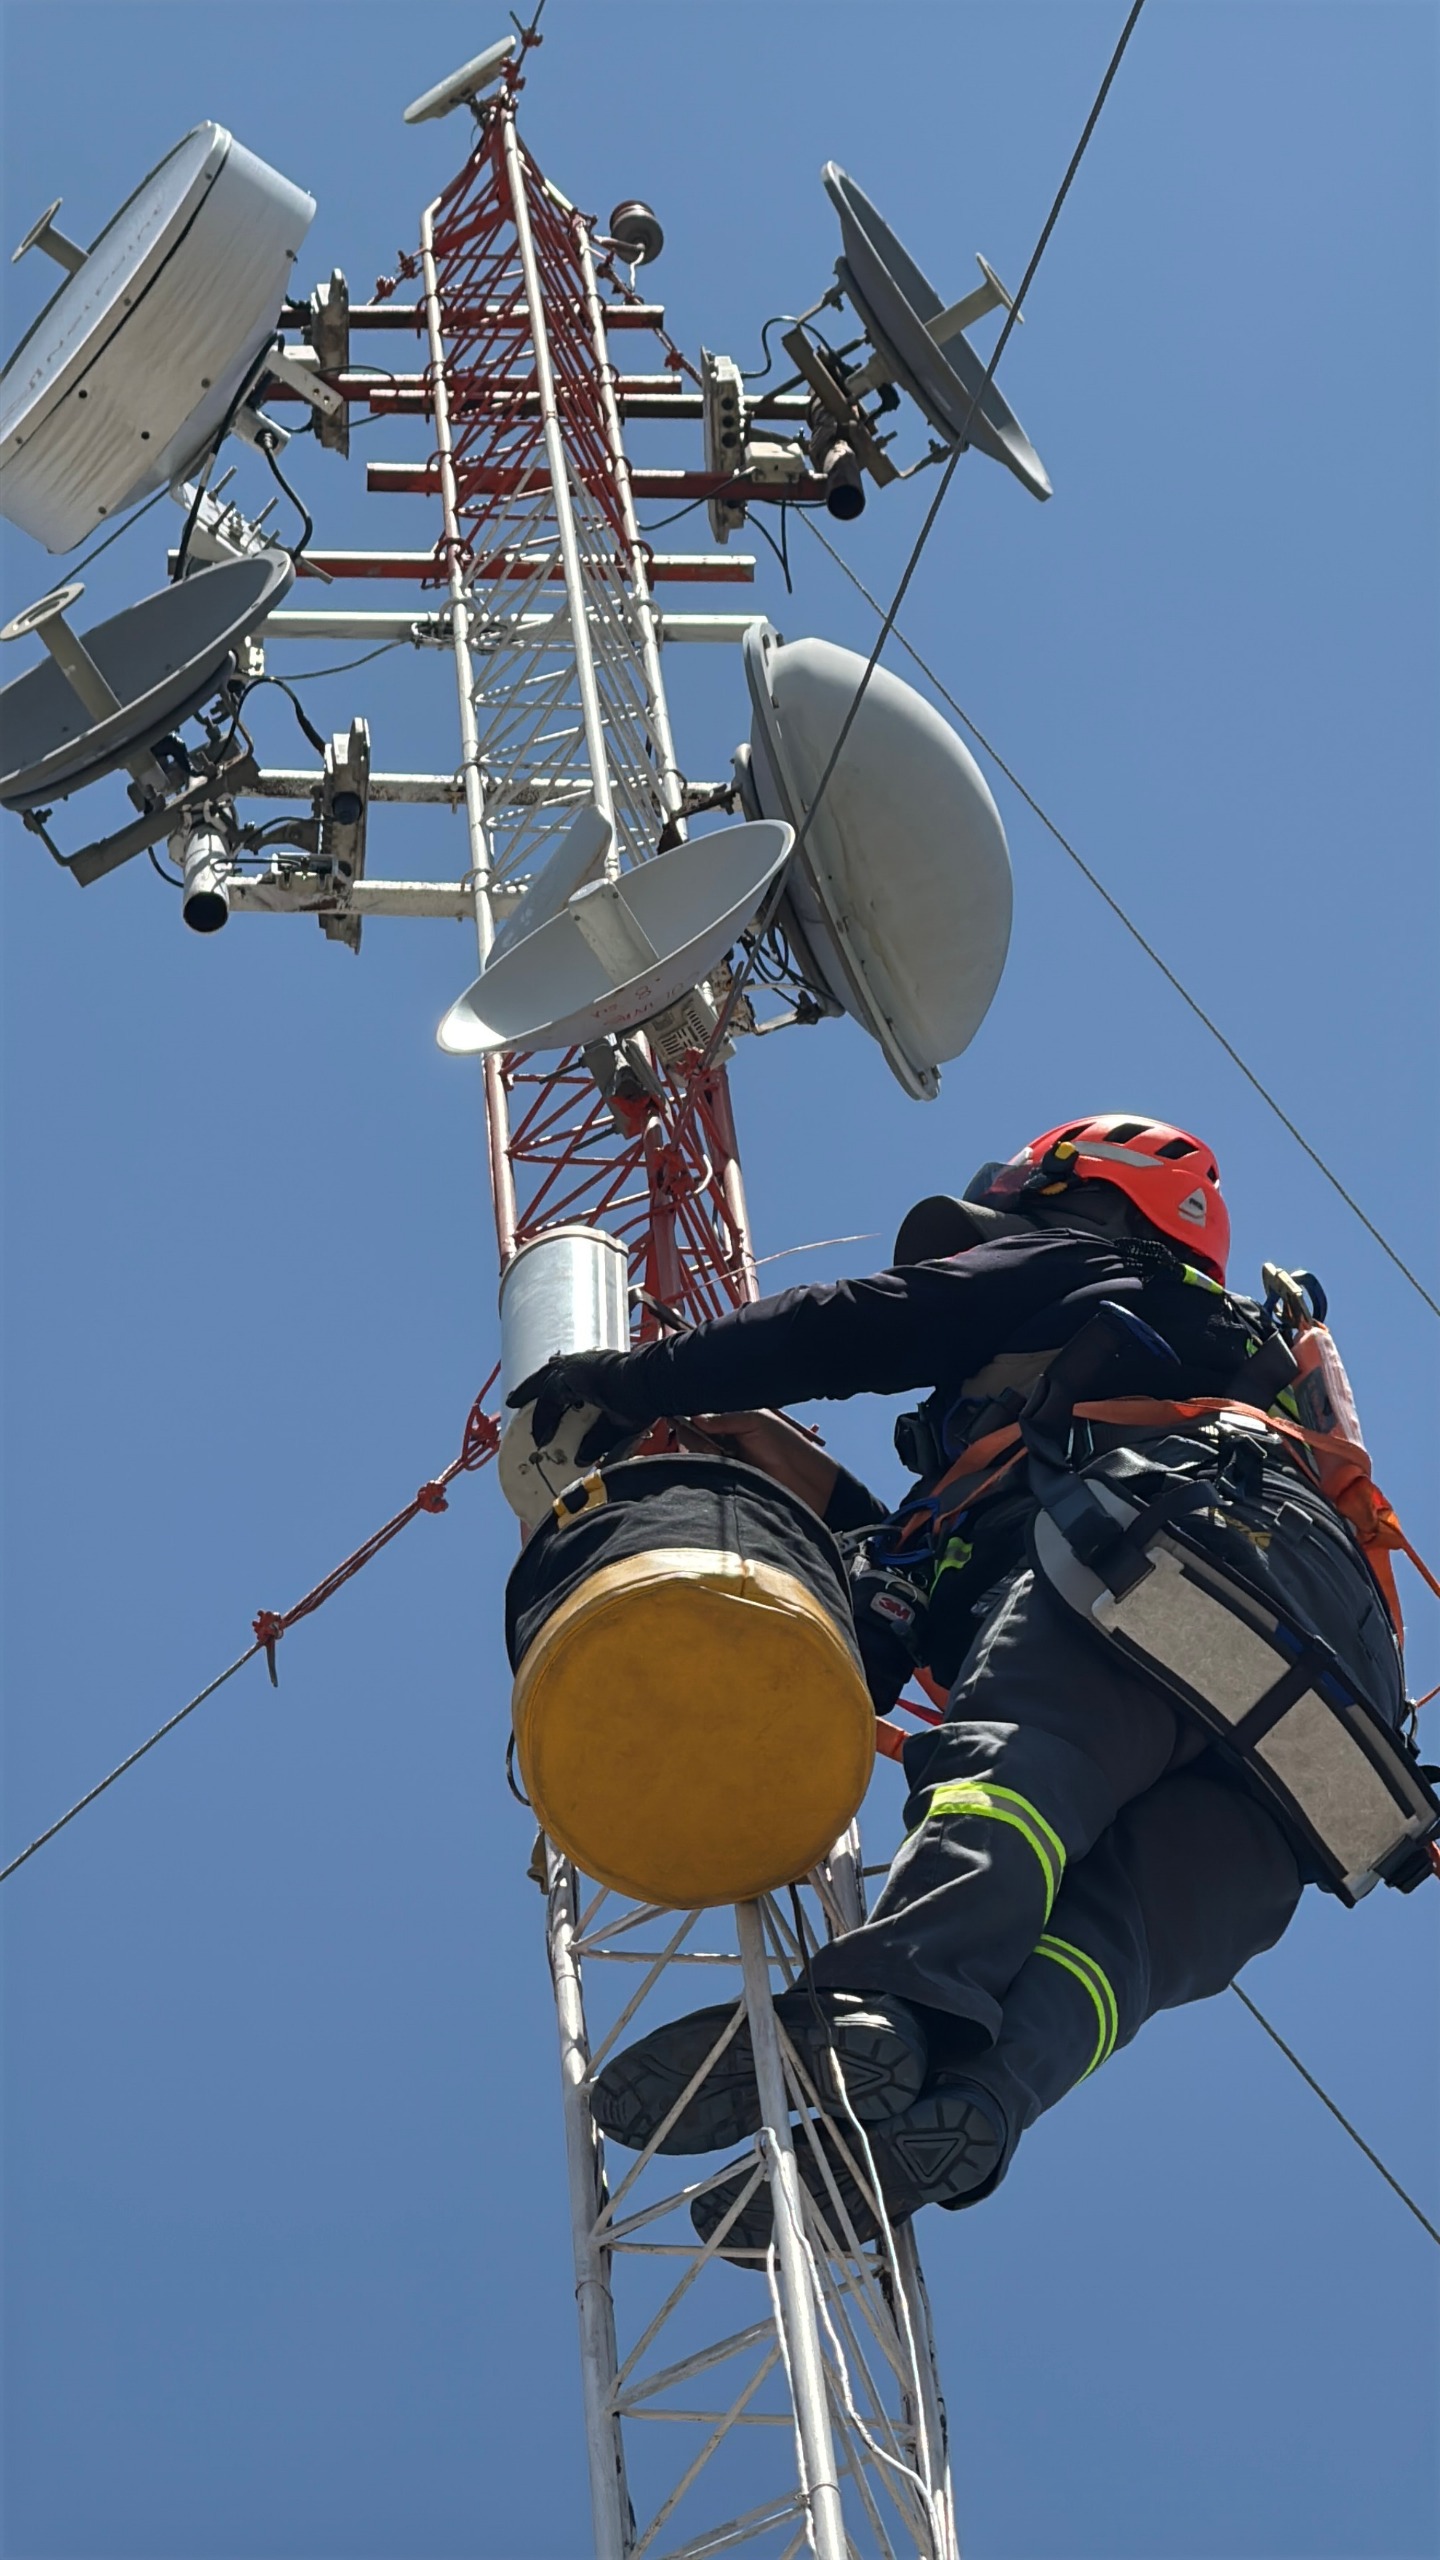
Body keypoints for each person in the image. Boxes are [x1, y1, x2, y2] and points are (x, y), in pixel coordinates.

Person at [511, 1115, 1418, 2250]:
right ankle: (976, 2100)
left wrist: (641, 1378)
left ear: (1085, 1195)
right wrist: (771, 1455)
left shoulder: (1099, 1262)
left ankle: (878, 2003)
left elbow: (865, 1326)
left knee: (1014, 1779)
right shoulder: (1191, 1370)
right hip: (1329, 1747)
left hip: (1167, 1574)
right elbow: (926, 1567)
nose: (967, 1260)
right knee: (1108, 1953)